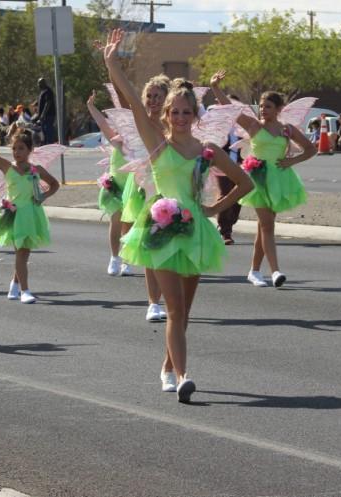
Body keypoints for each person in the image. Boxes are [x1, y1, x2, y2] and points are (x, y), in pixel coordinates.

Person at [104, 29, 253, 402]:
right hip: (161, 228)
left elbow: (245, 183)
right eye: (176, 112)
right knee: (172, 308)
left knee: (183, 311)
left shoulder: (207, 150)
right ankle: (184, 375)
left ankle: (168, 366)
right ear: (167, 115)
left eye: (188, 112)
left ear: (195, 115)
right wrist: (112, 64)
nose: (182, 117)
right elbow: (136, 107)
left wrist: (212, 209)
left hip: (195, 231)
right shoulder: (158, 144)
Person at [210, 70, 317, 288]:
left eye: (268, 106)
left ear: (278, 110)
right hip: (257, 176)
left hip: (278, 179)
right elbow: (231, 110)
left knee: (264, 226)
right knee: (267, 225)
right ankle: (275, 271)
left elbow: (311, 149)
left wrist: (290, 161)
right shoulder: (253, 125)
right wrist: (216, 88)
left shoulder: (287, 130)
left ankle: (254, 271)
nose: (263, 109)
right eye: (261, 105)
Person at [106, 70, 172, 322]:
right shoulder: (140, 121)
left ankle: (170, 298)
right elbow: (125, 100)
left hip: (169, 186)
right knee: (148, 243)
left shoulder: (173, 124)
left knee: (168, 246)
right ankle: (154, 303)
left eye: (158, 96)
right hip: (144, 187)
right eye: (150, 96)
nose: (153, 100)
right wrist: (112, 67)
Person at [0, 121, 60, 304]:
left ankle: (14, 286)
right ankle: (25, 290)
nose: (17, 152)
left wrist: (43, 196)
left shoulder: (36, 170)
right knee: (21, 253)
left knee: (24, 253)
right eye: (14, 148)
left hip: (31, 214)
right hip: (15, 214)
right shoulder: (8, 167)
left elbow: (55, 184)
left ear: (30, 150)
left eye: (21, 148)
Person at [87, 90, 134, 276]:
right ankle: (114, 257)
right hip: (115, 186)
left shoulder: (139, 143)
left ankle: (126, 260)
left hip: (132, 186)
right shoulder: (117, 140)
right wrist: (91, 106)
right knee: (116, 221)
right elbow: (102, 122)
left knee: (128, 224)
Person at [217, 95, 244, 245]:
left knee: (239, 197)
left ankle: (229, 223)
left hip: (240, 165)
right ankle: (225, 231)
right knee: (225, 194)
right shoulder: (220, 125)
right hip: (222, 165)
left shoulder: (243, 125)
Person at [33, 78, 57, 144]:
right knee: (44, 131)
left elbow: (48, 103)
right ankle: (46, 145)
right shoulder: (43, 91)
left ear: (43, 83)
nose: (38, 85)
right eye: (38, 83)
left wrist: (43, 114)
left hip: (48, 116)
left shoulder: (48, 91)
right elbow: (42, 102)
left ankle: (50, 144)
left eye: (39, 83)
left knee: (48, 130)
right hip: (44, 117)